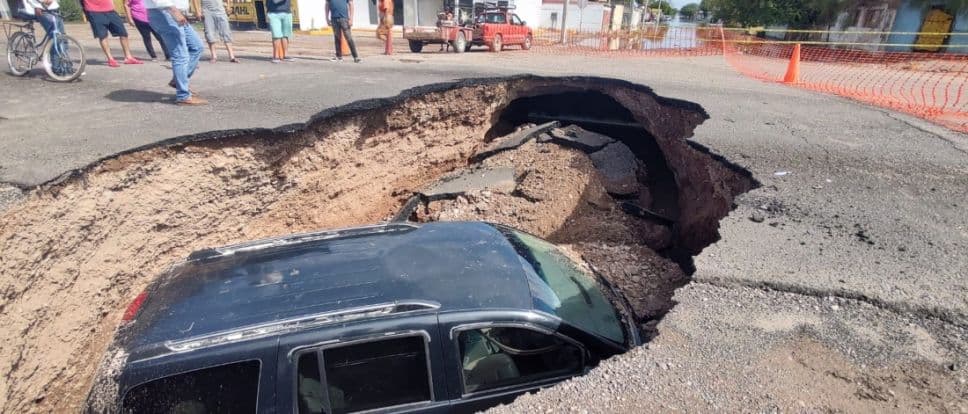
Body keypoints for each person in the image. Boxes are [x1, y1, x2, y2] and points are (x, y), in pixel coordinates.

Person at [146, 0, 207, 105]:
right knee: (180, 55)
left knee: (197, 46)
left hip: (172, 12)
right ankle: (183, 96)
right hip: (164, 12)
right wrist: (174, 10)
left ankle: (177, 81)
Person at [82, 0, 143, 66]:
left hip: (110, 10)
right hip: (94, 11)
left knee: (123, 33)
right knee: (103, 35)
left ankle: (128, 57)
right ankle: (110, 59)